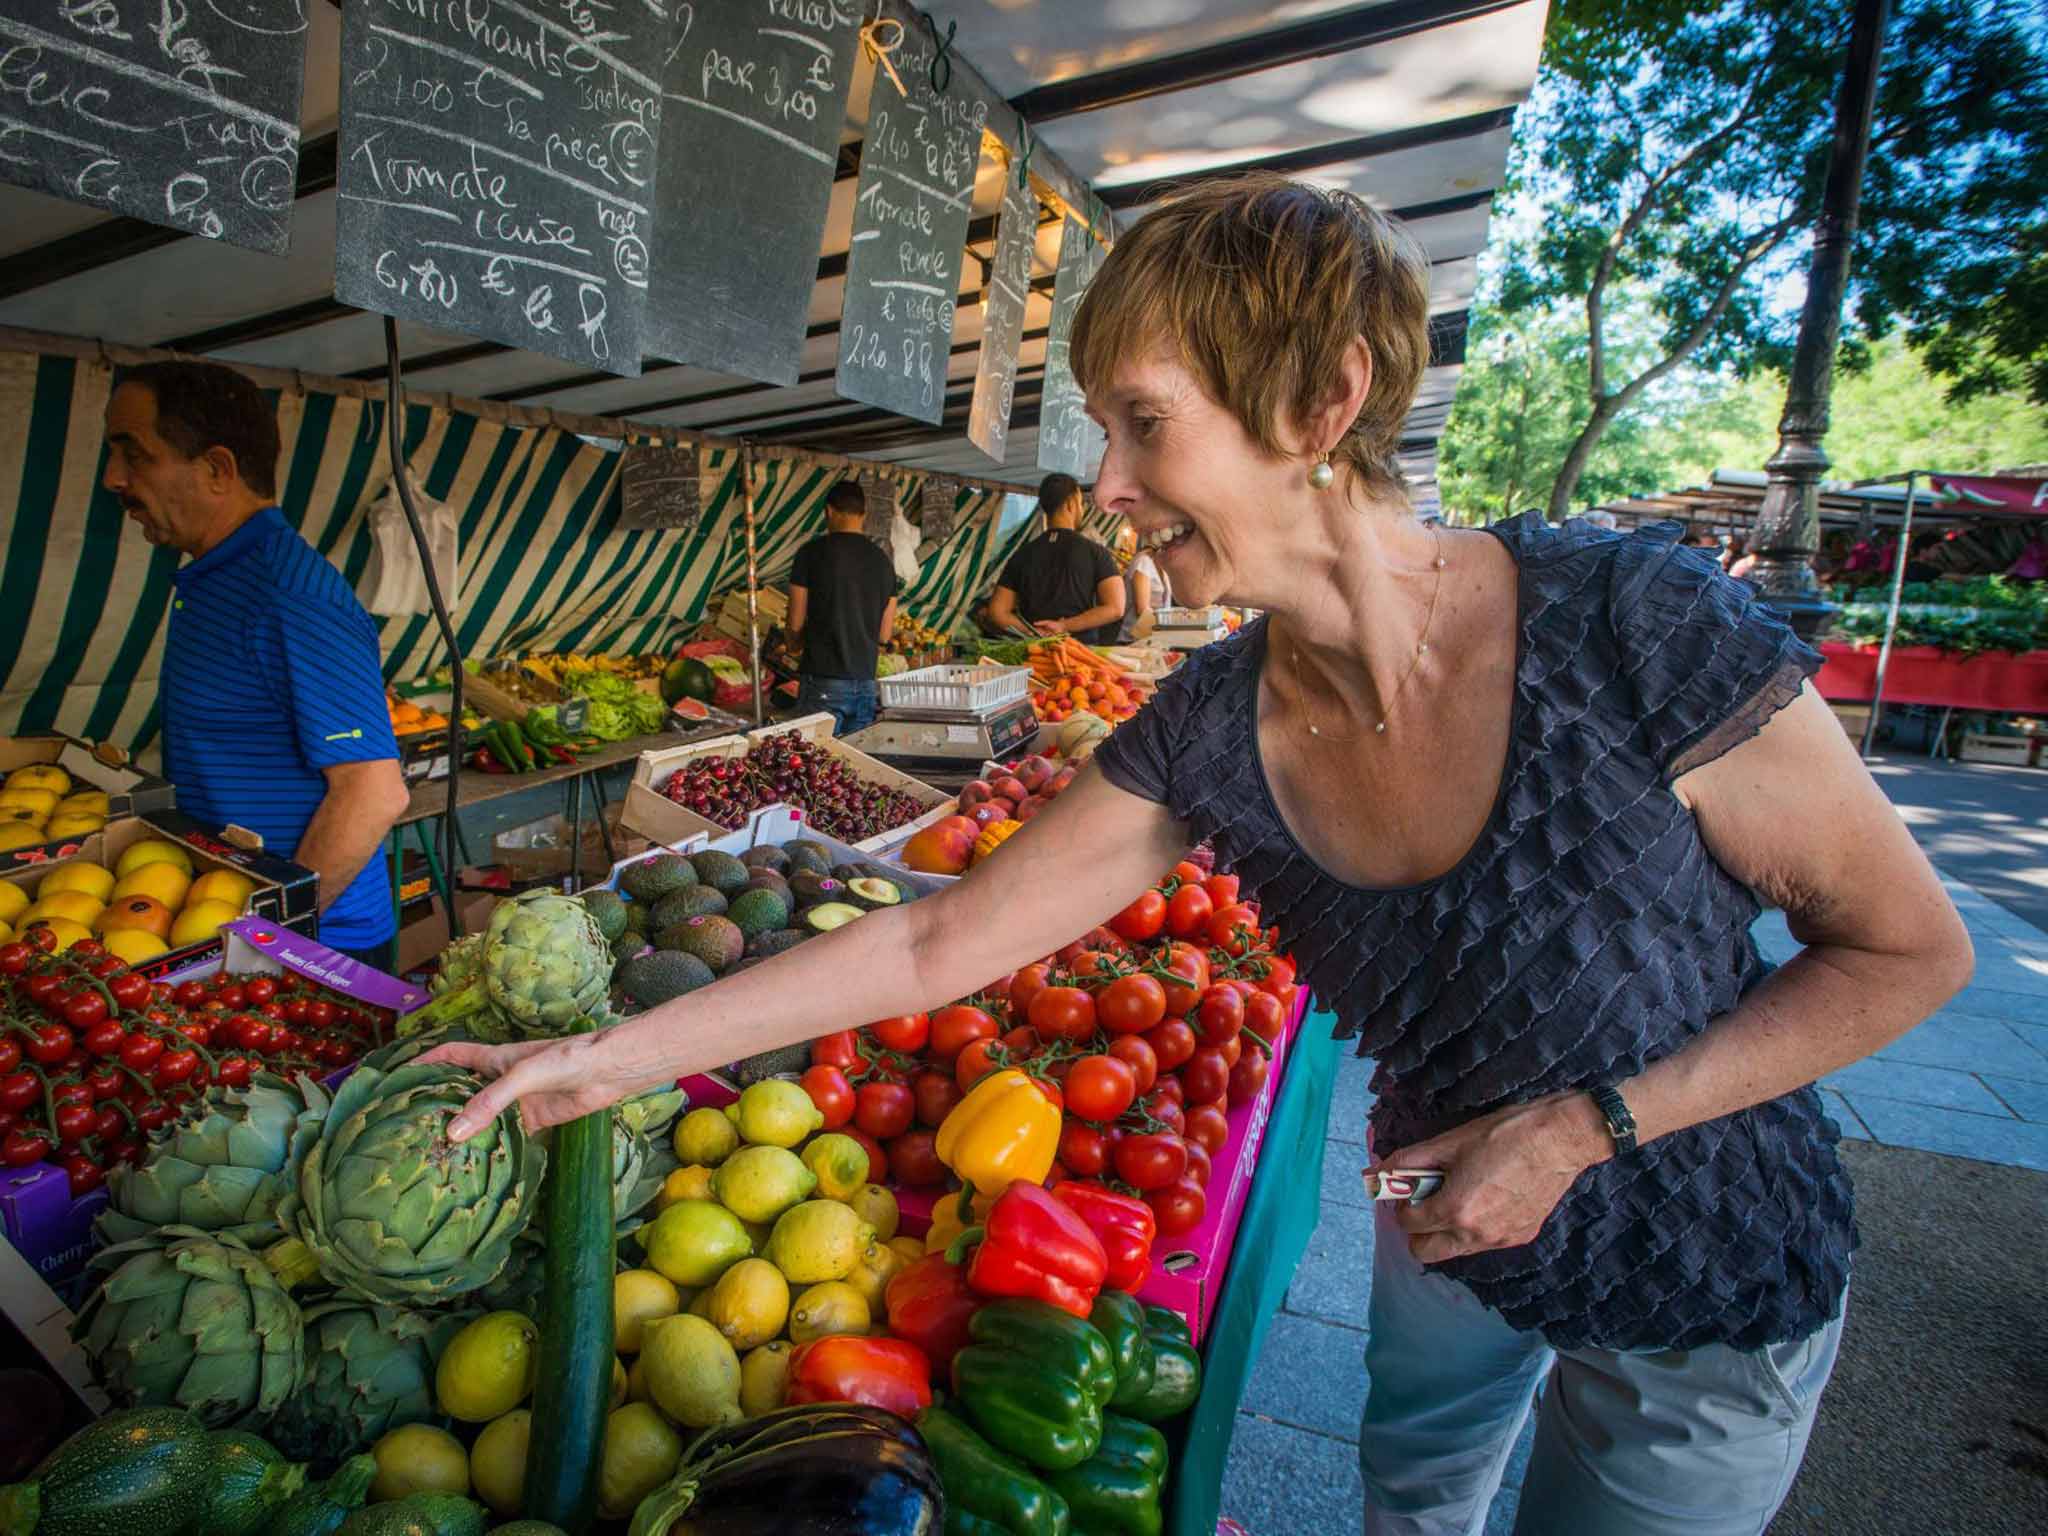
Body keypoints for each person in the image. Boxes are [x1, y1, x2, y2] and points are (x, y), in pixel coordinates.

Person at [429, 174, 1974, 1536]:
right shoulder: (1212, 724)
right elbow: (934, 944)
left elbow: (1911, 951)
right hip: (1444, 1225)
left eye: (1143, 422)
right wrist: (608, 1059)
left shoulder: (1636, 625)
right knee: (1413, 1501)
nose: (1103, 487)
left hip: (1703, 1252)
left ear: (1321, 402)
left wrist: (1580, 1130)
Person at [103, 362, 410, 970]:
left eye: (133, 454)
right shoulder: (218, 576)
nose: (114, 479)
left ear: (217, 469)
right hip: (233, 925)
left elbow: (374, 793)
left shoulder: (290, 596)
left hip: (315, 949)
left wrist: (265, 947)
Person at [784, 480, 897, 736]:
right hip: (866, 684)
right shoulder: (883, 561)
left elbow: (795, 621)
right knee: (852, 767)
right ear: (864, 515)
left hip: (823, 681)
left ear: (829, 511)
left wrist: (792, 645)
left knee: (816, 763)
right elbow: (884, 635)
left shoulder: (810, 554)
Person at [985, 473, 1125, 641]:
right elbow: (1116, 607)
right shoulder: (1095, 552)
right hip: (1081, 654)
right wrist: (1063, 626)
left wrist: (1033, 633)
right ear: (1071, 504)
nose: (1082, 509)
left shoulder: (1022, 555)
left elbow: (997, 612)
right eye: (1080, 503)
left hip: (1036, 652)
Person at [1112, 521, 1170, 643]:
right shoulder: (1143, 562)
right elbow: (1142, 609)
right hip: (1134, 640)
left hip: (1154, 637)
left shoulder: (1162, 566)